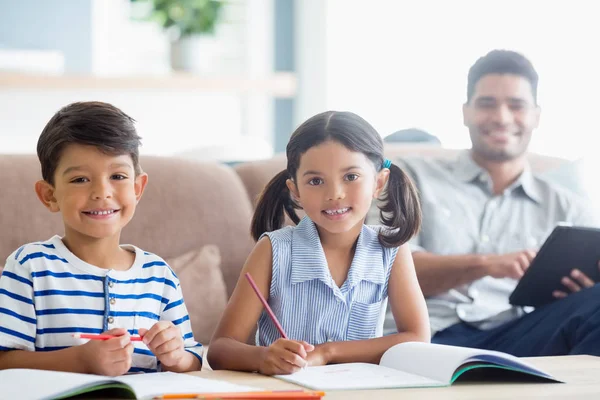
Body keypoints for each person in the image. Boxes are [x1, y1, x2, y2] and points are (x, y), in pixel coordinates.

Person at [381, 49, 600, 356]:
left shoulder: (569, 208)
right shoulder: (411, 178)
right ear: (465, 112)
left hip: (515, 339)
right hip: (426, 336)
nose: (501, 117)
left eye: (516, 105)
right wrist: (487, 265)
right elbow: (381, 269)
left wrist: (581, 293)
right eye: (487, 104)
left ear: (536, 116)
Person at [208, 111, 430, 375]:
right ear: (296, 191)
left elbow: (417, 337)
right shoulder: (273, 250)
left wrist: (328, 352)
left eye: (351, 177)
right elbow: (220, 350)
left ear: (378, 182)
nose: (334, 194)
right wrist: (263, 356)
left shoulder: (391, 251)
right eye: (316, 181)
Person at [0, 102, 202, 375]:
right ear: (49, 195)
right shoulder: (30, 266)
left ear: (137, 188)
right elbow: (4, 362)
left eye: (117, 176)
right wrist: (79, 361)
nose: (102, 192)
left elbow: (193, 360)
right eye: (80, 179)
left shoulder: (159, 276)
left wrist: (177, 357)